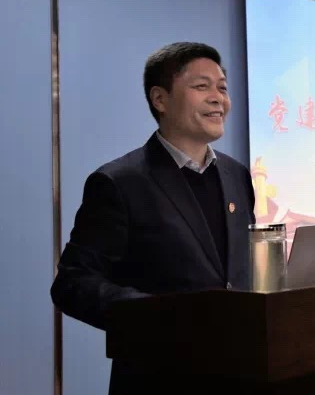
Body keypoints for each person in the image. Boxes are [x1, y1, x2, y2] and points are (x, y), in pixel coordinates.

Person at [50, 42, 256, 394]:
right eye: (202, 86)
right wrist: (155, 313)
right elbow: (72, 283)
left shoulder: (236, 175)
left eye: (222, 88)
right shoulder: (119, 182)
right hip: (159, 375)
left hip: (238, 371)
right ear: (160, 99)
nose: (217, 98)